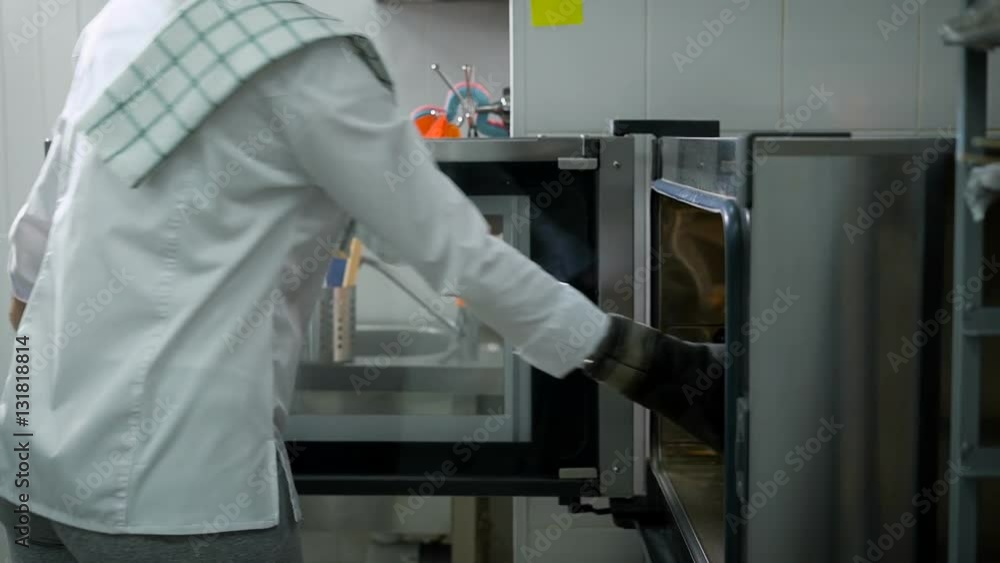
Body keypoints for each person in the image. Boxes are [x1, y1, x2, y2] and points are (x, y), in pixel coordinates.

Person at [1, 0, 725, 561]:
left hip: (28, 466)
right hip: (180, 501)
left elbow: (30, 253)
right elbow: (461, 255)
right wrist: (665, 368)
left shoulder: (123, 22)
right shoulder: (309, 65)